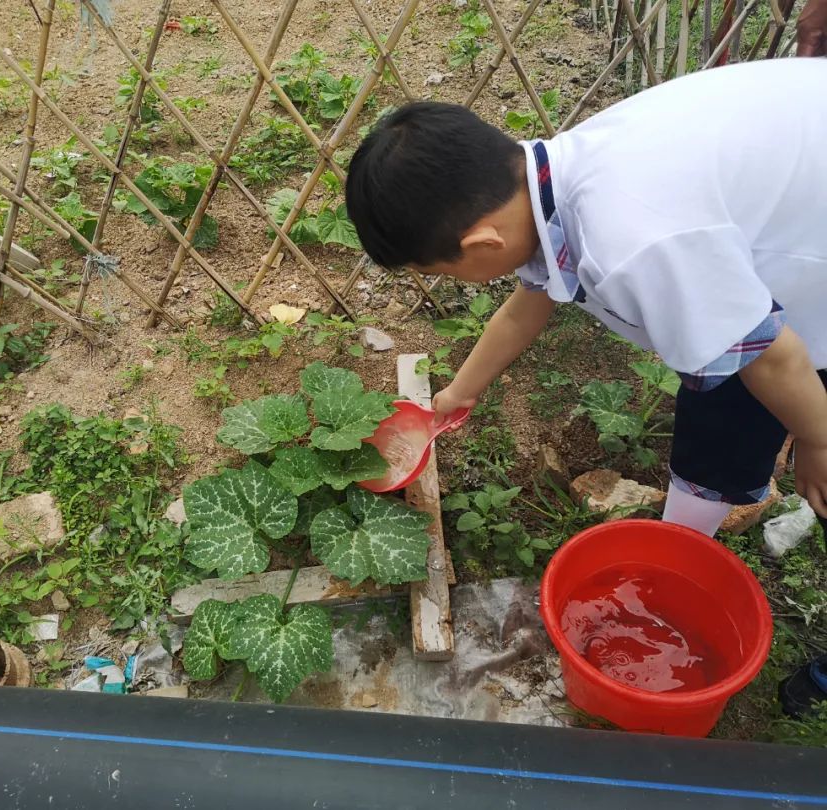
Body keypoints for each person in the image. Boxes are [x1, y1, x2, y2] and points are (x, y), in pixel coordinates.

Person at [345, 57, 827, 540]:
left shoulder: (633, 245)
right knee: (723, 390)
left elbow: (774, 360)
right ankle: (682, 544)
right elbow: (528, 304)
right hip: (800, 162)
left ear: (483, 244)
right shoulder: (553, 181)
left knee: (758, 397)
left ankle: (684, 545)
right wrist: (459, 392)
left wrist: (818, 441)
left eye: (440, 272)